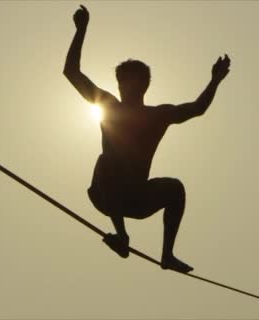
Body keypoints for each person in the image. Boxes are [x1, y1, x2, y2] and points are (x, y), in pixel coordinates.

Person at [63, 5, 230, 273]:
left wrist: (215, 80)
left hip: (137, 197)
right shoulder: (108, 105)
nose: (122, 88)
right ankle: (122, 236)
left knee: (176, 187)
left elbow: (196, 108)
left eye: (128, 83)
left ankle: (167, 255)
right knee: (107, 161)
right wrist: (81, 30)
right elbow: (71, 72)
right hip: (105, 195)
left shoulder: (158, 115)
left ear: (143, 86)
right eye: (121, 83)